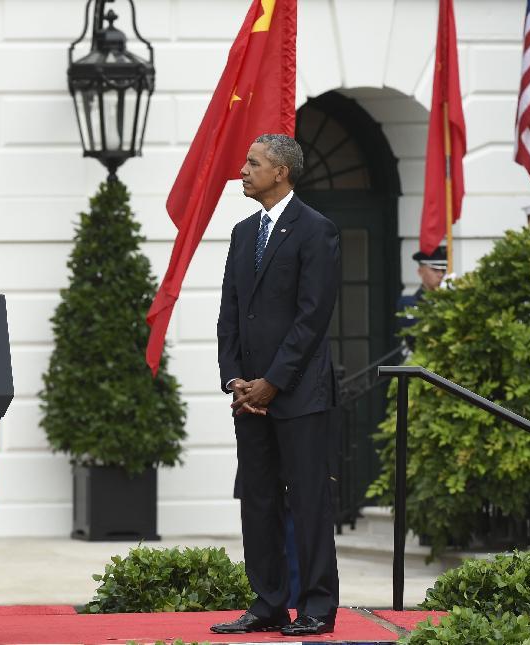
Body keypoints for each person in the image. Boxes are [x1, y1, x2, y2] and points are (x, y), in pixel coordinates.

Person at [211, 134, 341, 637]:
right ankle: (268, 602)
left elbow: (312, 318)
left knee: (309, 502)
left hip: (299, 393)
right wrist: (235, 380)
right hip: (249, 397)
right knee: (259, 499)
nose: (243, 169)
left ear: (281, 172)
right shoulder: (244, 233)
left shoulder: (316, 230)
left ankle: (316, 607)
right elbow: (230, 313)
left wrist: (273, 382)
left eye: (253, 163)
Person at [396, 246, 447, 351]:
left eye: (443, 270)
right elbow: (415, 338)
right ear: (420, 272)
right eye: (435, 270)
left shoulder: (450, 300)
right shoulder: (410, 303)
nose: (441, 275)